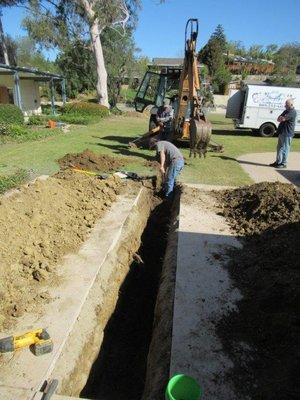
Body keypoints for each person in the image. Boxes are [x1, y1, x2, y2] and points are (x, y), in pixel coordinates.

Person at [269, 99, 297, 168]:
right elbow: (278, 119)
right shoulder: (286, 111)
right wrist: (282, 117)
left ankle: (283, 163)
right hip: (282, 132)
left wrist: (282, 118)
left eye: (286, 105)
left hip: (287, 133)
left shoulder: (293, 112)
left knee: (285, 148)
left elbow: (283, 119)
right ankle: (278, 162)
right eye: (285, 104)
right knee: (279, 148)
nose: (285, 106)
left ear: (291, 105)